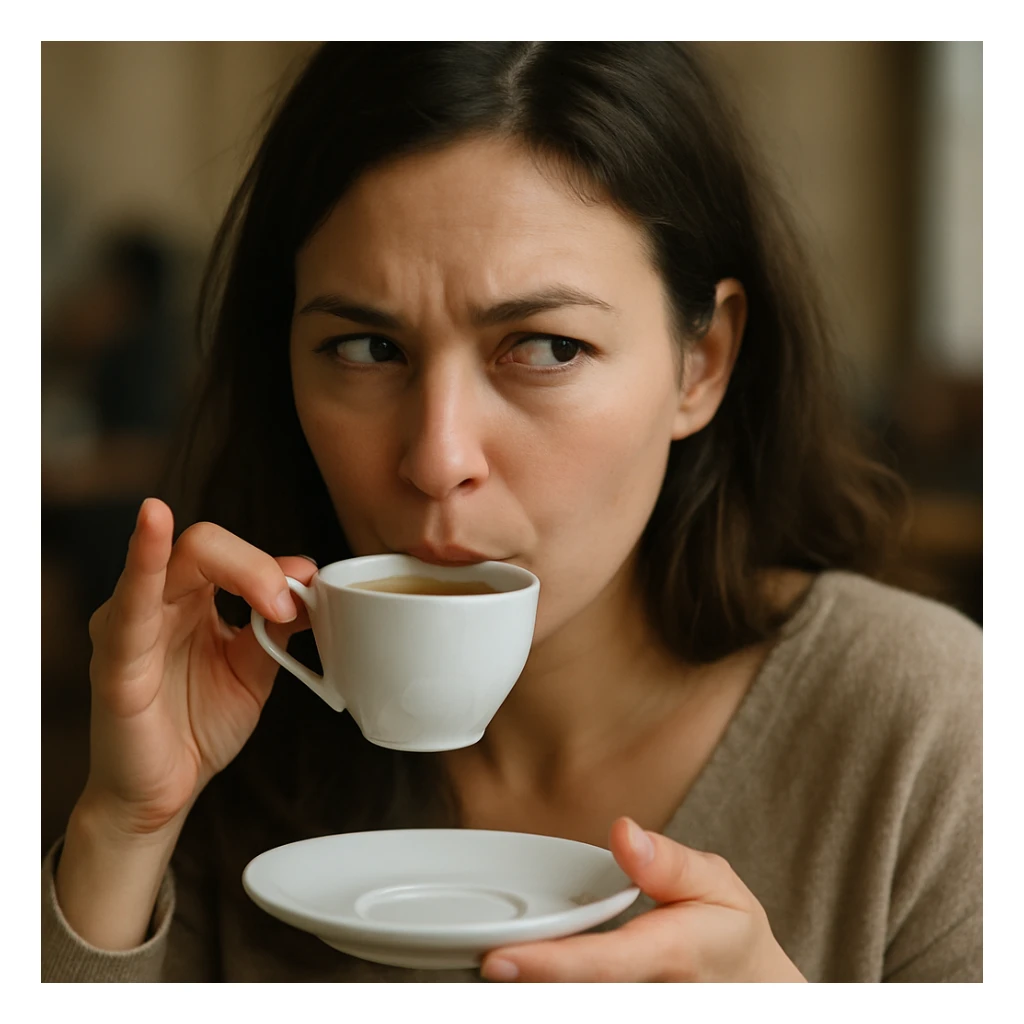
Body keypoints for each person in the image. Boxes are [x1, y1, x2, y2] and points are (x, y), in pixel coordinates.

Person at [41, 42, 981, 983]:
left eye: (545, 346)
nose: (438, 459)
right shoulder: (234, 723)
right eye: (366, 347)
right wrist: (124, 827)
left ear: (704, 363)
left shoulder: (930, 734)